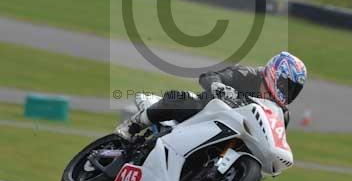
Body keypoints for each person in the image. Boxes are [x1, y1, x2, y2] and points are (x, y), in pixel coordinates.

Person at [125, 52, 307, 138]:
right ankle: (133, 125)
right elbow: (208, 76)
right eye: (286, 86)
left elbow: (273, 139)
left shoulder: (282, 115)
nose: (287, 92)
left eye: (293, 90)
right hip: (204, 113)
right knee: (182, 100)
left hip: (233, 136)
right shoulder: (249, 75)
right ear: (275, 74)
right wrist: (218, 87)